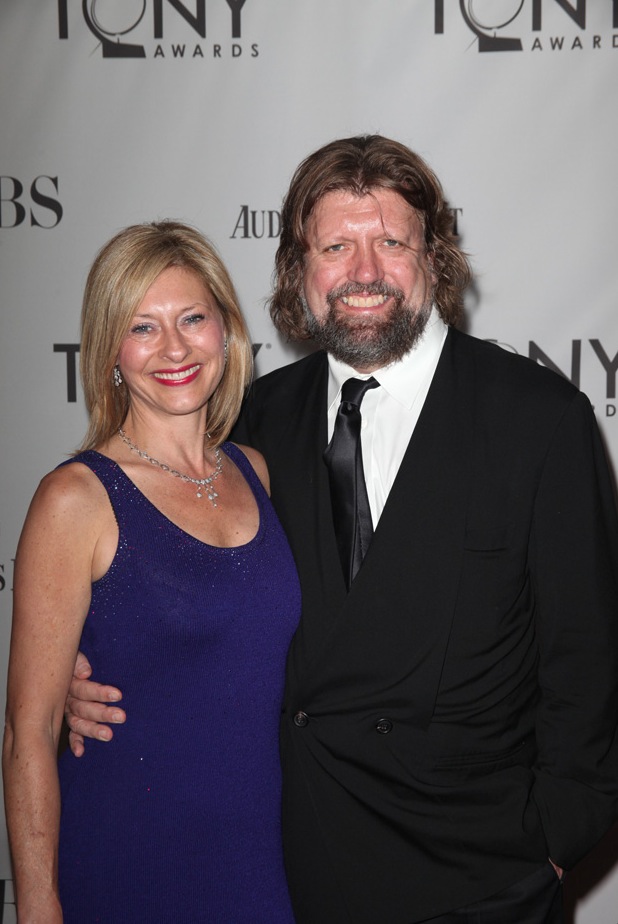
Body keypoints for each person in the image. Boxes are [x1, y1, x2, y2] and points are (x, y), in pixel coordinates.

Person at [65, 137, 618, 924]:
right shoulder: (249, 425)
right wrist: (82, 686)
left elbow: (589, 665)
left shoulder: (539, 420)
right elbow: (187, 611)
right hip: (289, 870)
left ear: (435, 259)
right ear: (299, 271)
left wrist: (550, 845)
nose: (363, 272)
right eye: (335, 247)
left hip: (476, 882)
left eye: (390, 242)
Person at [2, 221, 300, 923]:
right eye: (143, 327)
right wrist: (40, 907)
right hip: (129, 864)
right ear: (109, 350)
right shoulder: (76, 499)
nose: (174, 348)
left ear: (226, 331)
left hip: (257, 864)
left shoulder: (255, 472)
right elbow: (28, 730)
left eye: (193, 318)